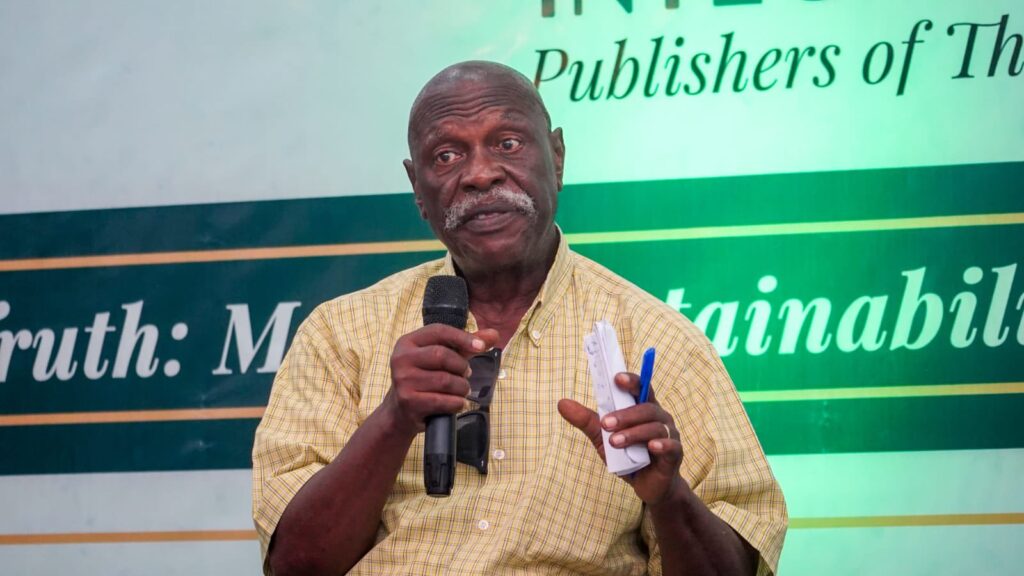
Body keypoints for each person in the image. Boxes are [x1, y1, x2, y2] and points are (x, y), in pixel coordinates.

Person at [252, 60, 787, 576]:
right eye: (446, 155)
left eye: (507, 143)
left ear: (557, 156)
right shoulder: (340, 334)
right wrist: (393, 419)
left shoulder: (657, 340)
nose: (480, 174)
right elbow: (296, 565)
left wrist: (668, 497)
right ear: (417, 187)